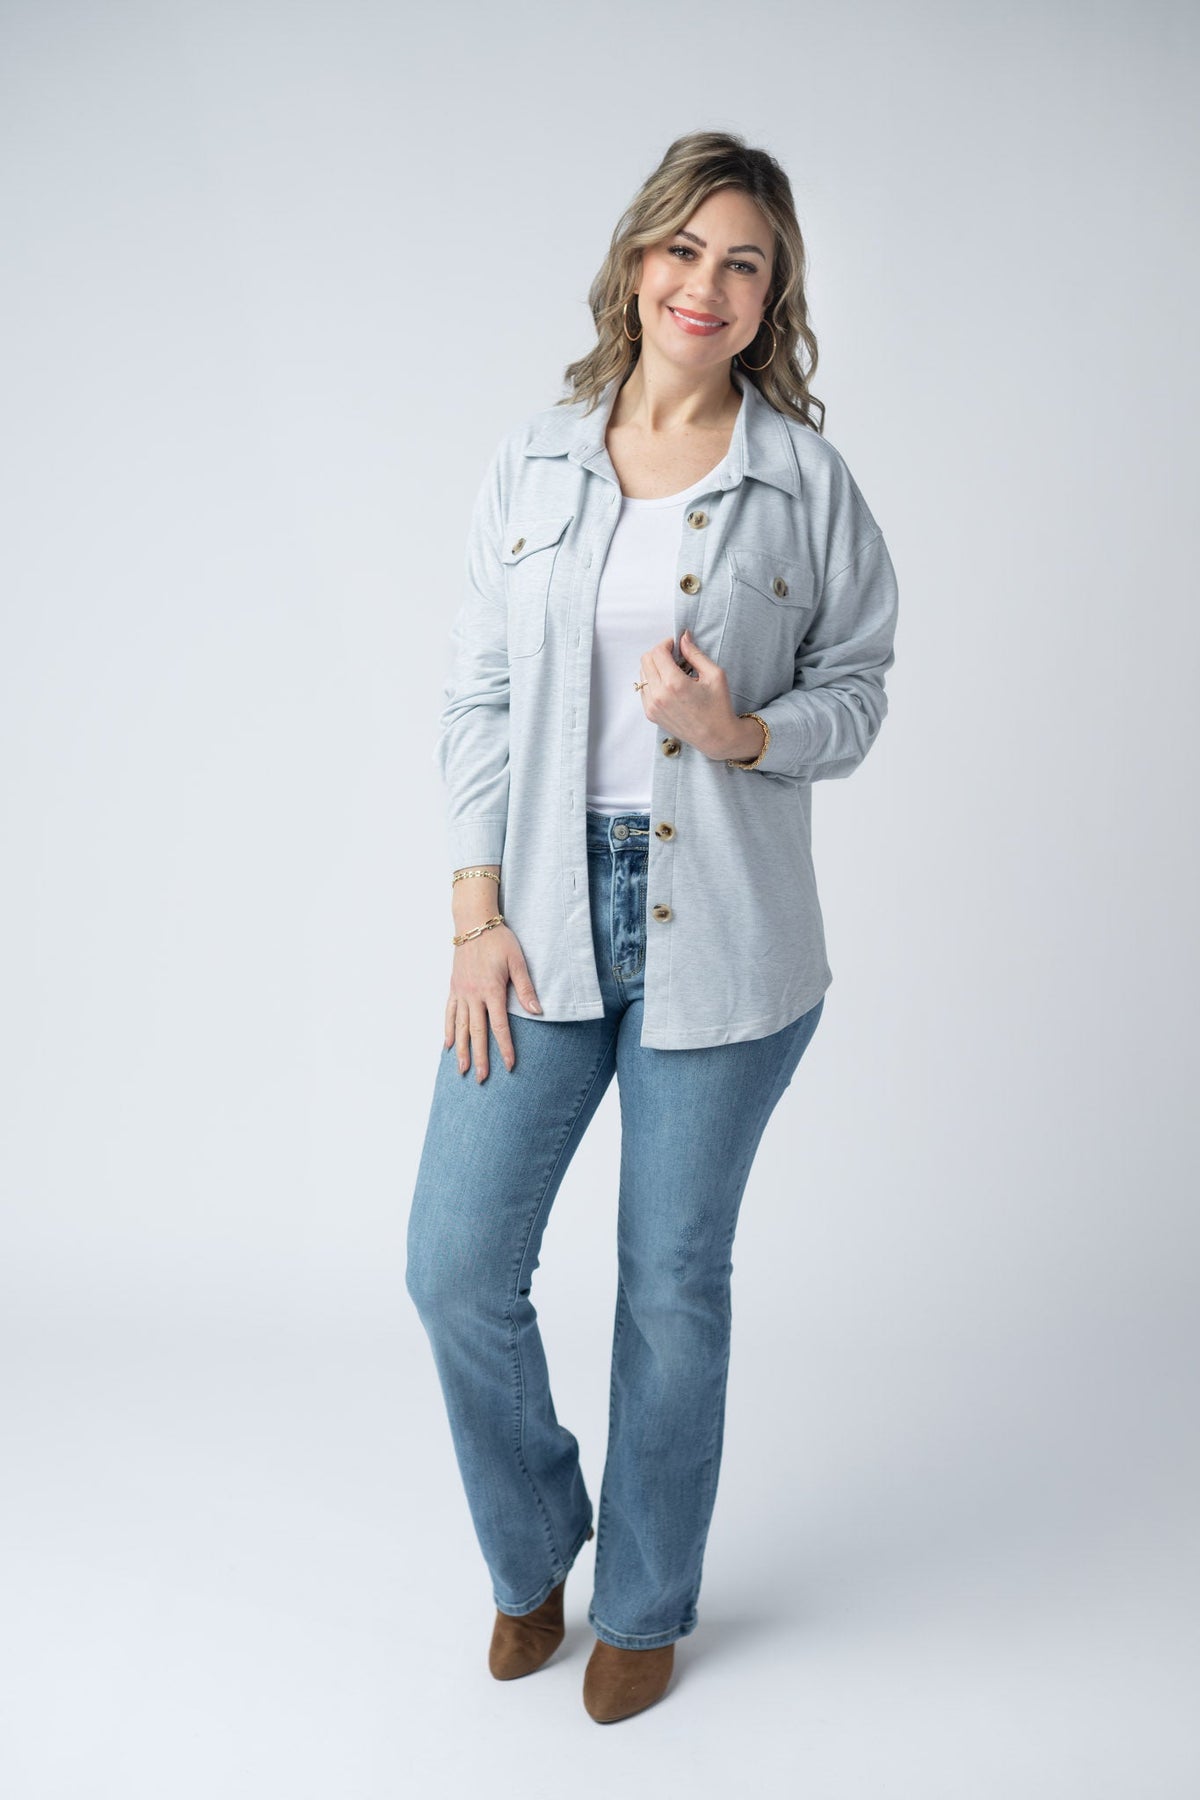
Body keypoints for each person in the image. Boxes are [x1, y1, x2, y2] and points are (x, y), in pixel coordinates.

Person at [405, 129, 899, 1724]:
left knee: (670, 1281)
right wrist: (474, 913)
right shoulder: (535, 462)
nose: (708, 284)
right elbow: (478, 695)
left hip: (729, 935)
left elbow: (858, 692)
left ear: (773, 298)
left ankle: (644, 1599)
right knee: (454, 1266)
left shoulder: (804, 484)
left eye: (744, 263)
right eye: (686, 249)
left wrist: (741, 730)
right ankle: (536, 1542)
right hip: (542, 916)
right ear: (638, 262)